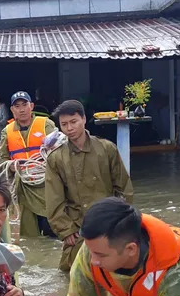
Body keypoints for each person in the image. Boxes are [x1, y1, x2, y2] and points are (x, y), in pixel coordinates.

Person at [46, 100, 134, 272]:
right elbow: (53, 199)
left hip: (108, 225)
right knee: (72, 275)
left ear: (84, 119)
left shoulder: (107, 149)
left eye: (73, 122)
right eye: (64, 124)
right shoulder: (56, 159)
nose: (69, 128)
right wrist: (66, 230)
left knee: (116, 274)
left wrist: (121, 222)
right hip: (77, 229)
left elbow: (124, 189)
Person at [0, 91, 57, 238]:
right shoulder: (7, 131)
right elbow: (2, 159)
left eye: (25, 105)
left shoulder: (46, 124)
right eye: (17, 106)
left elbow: (59, 151)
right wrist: (10, 166)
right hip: (23, 185)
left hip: (47, 184)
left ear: (31, 106)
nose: (21, 109)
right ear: (12, 110)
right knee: (29, 234)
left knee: (53, 229)